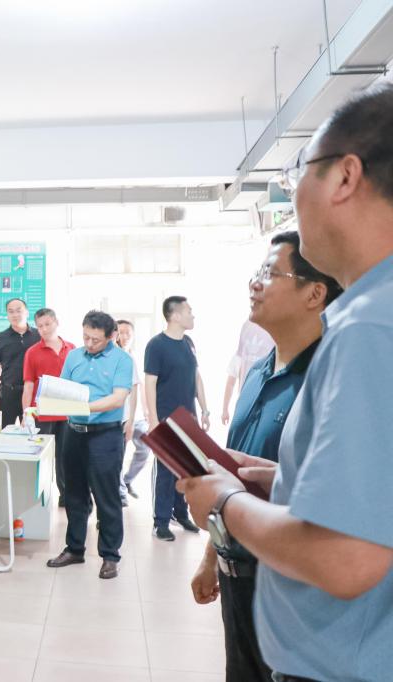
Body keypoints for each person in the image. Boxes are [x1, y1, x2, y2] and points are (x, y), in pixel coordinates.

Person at [179, 82, 393, 682]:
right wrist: (282, 480)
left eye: (300, 171)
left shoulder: (369, 328)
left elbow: (347, 558)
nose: (292, 194)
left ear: (344, 177)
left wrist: (226, 502)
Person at [188, 231, 341, 682]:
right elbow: (235, 477)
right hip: (237, 574)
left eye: (271, 274)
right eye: (257, 272)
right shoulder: (257, 372)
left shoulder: (329, 376)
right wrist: (212, 557)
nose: (255, 283)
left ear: (315, 294)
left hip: (292, 581)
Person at [46, 310, 133, 580]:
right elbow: (62, 389)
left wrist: (83, 406)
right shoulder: (74, 356)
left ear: (112, 336)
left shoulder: (122, 360)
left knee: (107, 497)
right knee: (73, 495)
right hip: (73, 433)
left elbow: (117, 399)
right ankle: (74, 549)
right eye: (85, 337)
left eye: (96, 340)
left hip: (105, 435)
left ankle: (110, 556)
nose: (89, 343)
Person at [144, 295, 208, 541]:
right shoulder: (156, 345)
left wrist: (204, 409)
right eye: (189, 311)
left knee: (186, 470)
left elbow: (196, 377)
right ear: (176, 315)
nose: (193, 315)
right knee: (165, 471)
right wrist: (153, 420)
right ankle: (160, 521)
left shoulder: (188, 343)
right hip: (166, 418)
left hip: (188, 418)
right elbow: (150, 383)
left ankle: (181, 514)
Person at [21, 308, 75, 507]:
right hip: (41, 414)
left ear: (56, 322)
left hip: (67, 414)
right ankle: (39, 499)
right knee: (41, 456)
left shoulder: (72, 349)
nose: (44, 329)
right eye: (40, 326)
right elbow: (28, 385)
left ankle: (66, 496)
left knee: (65, 457)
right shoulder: (32, 352)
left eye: (47, 324)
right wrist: (26, 414)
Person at [114, 319, 151, 507]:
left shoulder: (135, 355)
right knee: (119, 455)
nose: (124, 335)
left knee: (145, 449)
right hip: (120, 415)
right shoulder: (115, 356)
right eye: (121, 332)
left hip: (138, 416)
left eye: (128, 332)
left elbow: (141, 385)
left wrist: (147, 410)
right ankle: (120, 492)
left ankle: (127, 480)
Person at [0, 298, 39, 428]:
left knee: (31, 433)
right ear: (7, 315)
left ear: (27, 312)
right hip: (7, 394)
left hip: (32, 394)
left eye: (18, 310)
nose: (15, 314)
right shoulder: (0, 338)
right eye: (11, 311)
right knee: (1, 432)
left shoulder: (38, 336)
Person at [220, 320, 274, 426]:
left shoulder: (272, 350)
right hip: (245, 403)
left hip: (264, 403)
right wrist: (225, 409)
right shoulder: (240, 355)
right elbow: (231, 381)